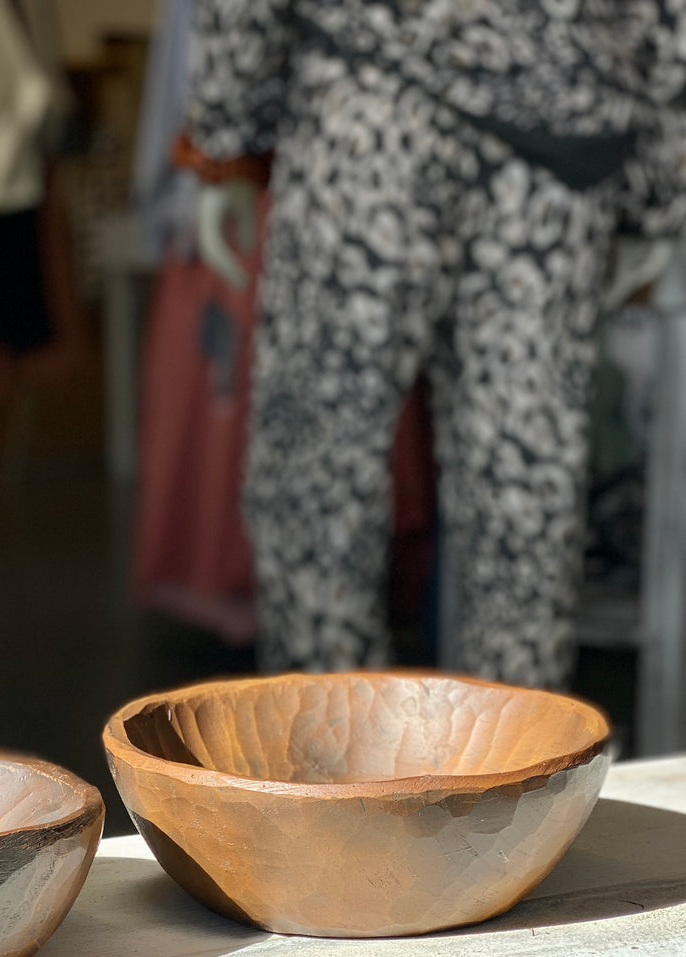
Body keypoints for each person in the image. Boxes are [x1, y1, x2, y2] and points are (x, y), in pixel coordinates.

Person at [175, 0, 686, 686]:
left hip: (370, 113)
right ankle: (513, 764)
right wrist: (658, 190)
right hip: (560, 136)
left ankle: (333, 763)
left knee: (320, 467)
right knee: (523, 482)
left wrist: (227, 134)